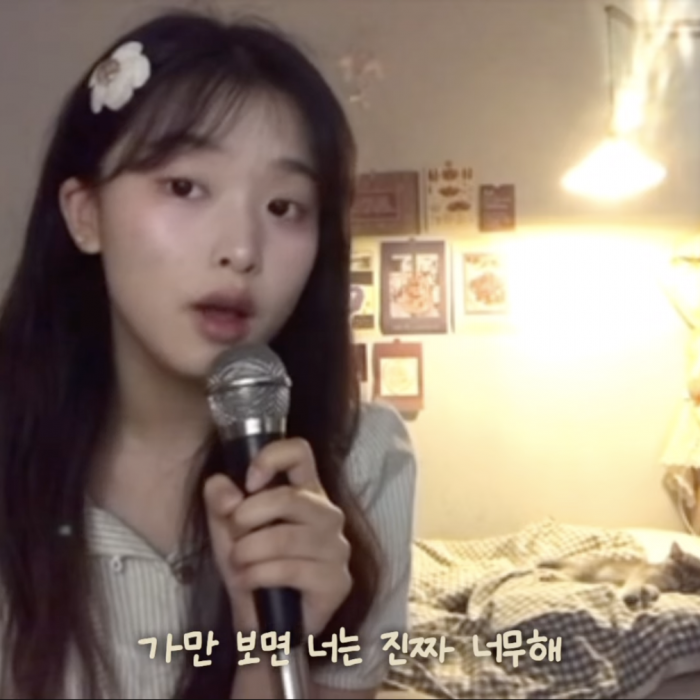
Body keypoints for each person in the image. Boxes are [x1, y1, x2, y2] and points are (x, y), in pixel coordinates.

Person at [0, 9, 416, 700]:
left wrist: (270, 651)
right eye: (185, 187)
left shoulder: (361, 460)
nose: (242, 250)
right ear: (86, 214)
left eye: (284, 207)